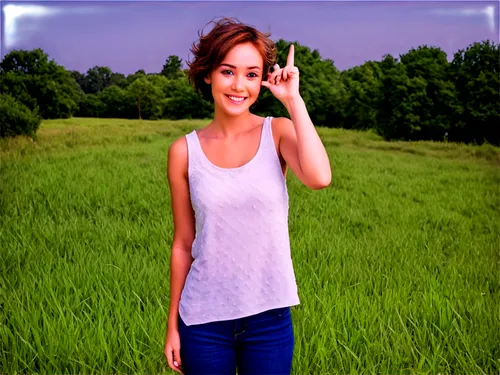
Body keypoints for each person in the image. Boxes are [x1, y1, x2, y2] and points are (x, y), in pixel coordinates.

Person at [164, 17, 331, 375]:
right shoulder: (183, 151)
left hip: (268, 318)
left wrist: (293, 100)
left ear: (262, 80)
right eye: (228, 71)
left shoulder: (278, 132)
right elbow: (182, 244)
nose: (239, 85)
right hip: (203, 321)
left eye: (252, 74)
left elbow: (319, 178)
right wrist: (172, 326)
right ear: (207, 73)